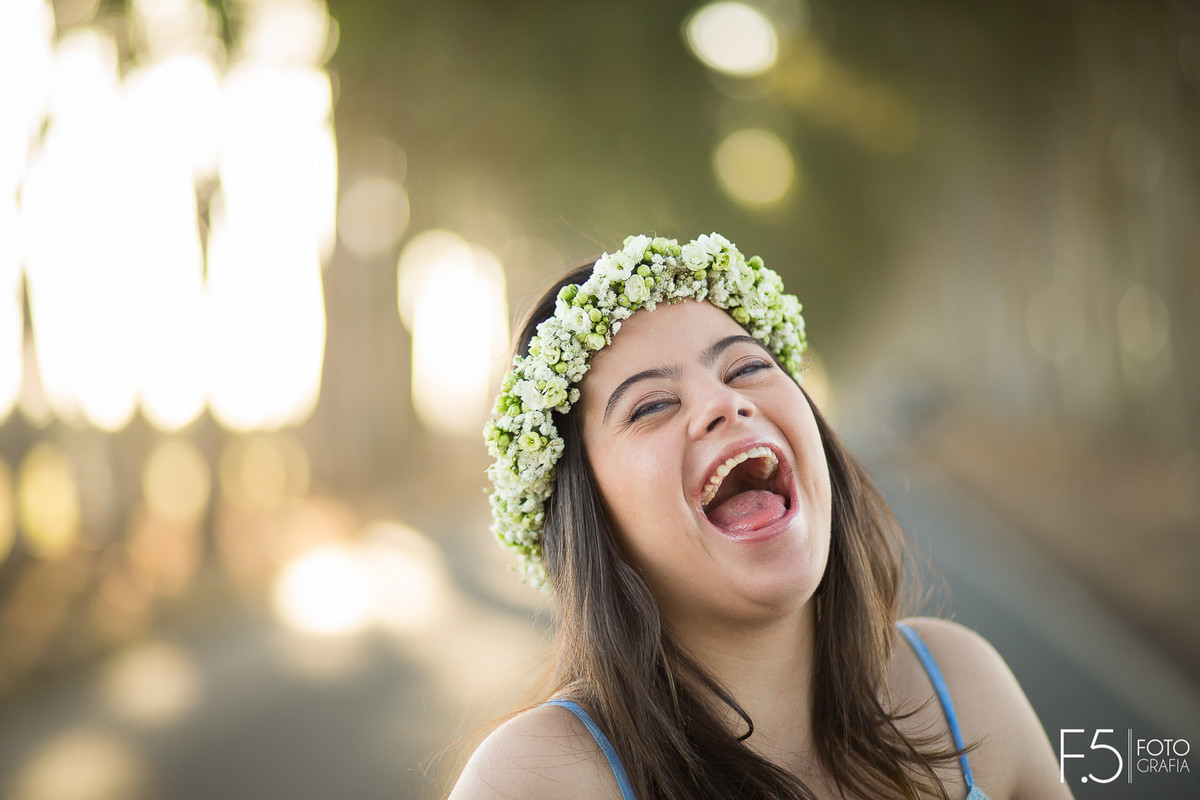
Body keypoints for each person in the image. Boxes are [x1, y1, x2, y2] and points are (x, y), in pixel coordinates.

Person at [450, 234, 1072, 800]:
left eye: (747, 368)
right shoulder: (533, 782)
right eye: (652, 405)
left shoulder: (963, 688)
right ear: (590, 519)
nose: (726, 402)